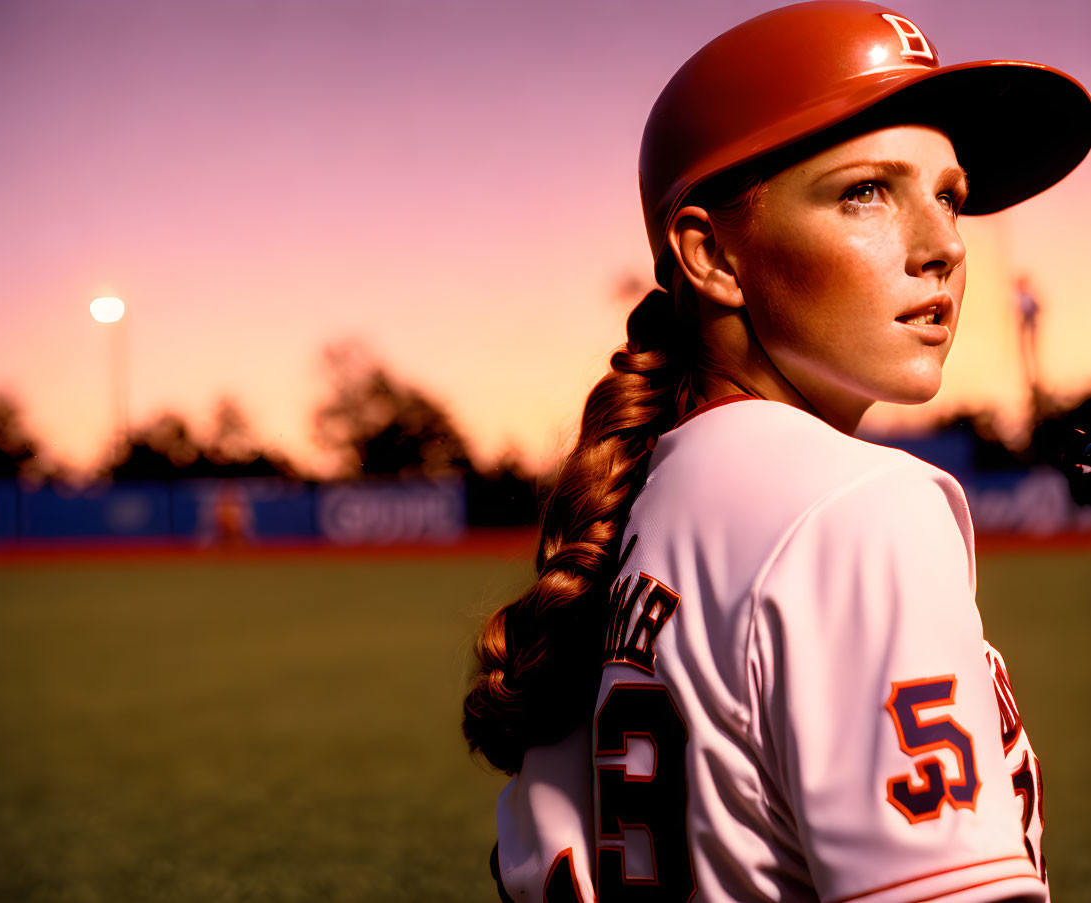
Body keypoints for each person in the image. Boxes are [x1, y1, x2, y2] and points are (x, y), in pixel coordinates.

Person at [462, 2, 1091, 901]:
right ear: (711, 256)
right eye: (865, 191)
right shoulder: (856, 505)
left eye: (946, 195)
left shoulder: (637, 502)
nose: (944, 245)